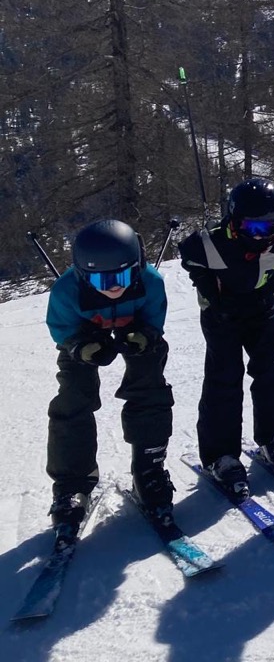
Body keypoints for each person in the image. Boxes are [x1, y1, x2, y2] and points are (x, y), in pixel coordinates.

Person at [45, 220, 175, 525]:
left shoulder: (150, 281)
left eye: (124, 276)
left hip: (135, 327)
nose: (115, 287)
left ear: (137, 267)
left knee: (150, 385)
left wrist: (145, 336)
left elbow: (154, 320)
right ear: (83, 274)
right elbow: (61, 329)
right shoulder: (67, 290)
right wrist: (81, 347)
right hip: (84, 333)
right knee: (73, 396)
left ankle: (148, 470)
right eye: (102, 281)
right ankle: (73, 484)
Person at [178, 178, 274, 498]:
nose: (257, 235)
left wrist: (267, 288)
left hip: (263, 309)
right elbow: (188, 256)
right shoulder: (208, 243)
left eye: (265, 227)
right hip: (221, 315)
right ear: (233, 221)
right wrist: (209, 290)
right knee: (224, 377)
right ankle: (220, 454)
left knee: (272, 370)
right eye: (249, 227)